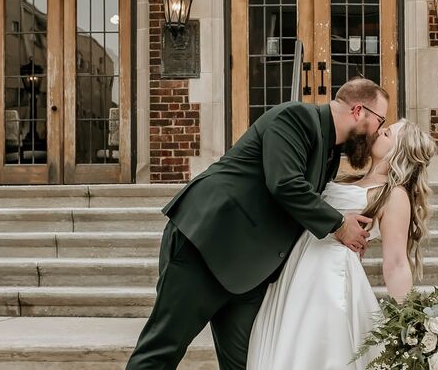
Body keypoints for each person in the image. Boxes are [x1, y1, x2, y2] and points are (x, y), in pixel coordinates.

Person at [125, 78, 390, 370]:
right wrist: (339, 225)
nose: (378, 131)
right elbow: (285, 184)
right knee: (162, 350)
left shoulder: (330, 153)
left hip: (251, 270)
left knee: (249, 362)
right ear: (358, 111)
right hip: (207, 243)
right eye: (380, 121)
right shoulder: (296, 117)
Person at [247, 118, 436, 370]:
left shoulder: (394, 194)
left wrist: (409, 319)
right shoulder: (347, 179)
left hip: (330, 278)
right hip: (297, 269)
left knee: (320, 348)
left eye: (387, 133)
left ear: (398, 152)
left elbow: (396, 261)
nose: (379, 131)